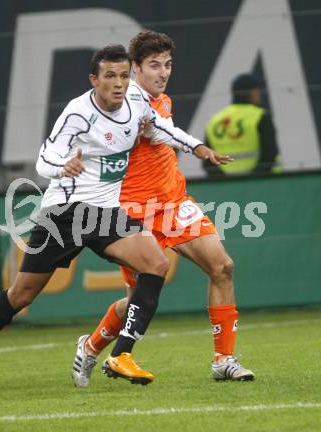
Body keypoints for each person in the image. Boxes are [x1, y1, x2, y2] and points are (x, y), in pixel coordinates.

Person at [0, 44, 228, 400]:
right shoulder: (78, 113)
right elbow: (45, 159)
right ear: (94, 79)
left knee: (154, 263)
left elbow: (164, 130)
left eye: (124, 75)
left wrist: (199, 148)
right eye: (110, 75)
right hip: (65, 214)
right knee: (20, 296)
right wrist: (63, 166)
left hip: (106, 213)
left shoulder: (137, 103)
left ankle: (122, 354)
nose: (119, 83)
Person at [72, 31, 255, 389]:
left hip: (173, 204)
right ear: (134, 68)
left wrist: (196, 147)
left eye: (167, 64)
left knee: (223, 266)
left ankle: (224, 360)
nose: (163, 72)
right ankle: (91, 346)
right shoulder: (119, 106)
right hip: (133, 213)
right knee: (136, 302)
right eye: (154, 65)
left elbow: (166, 133)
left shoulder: (162, 101)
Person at [204, 73, 280, 177]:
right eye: (257, 90)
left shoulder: (215, 121)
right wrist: (252, 179)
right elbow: (270, 154)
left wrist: (225, 182)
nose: (259, 94)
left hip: (225, 187)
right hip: (263, 184)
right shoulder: (260, 116)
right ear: (252, 92)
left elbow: (207, 161)